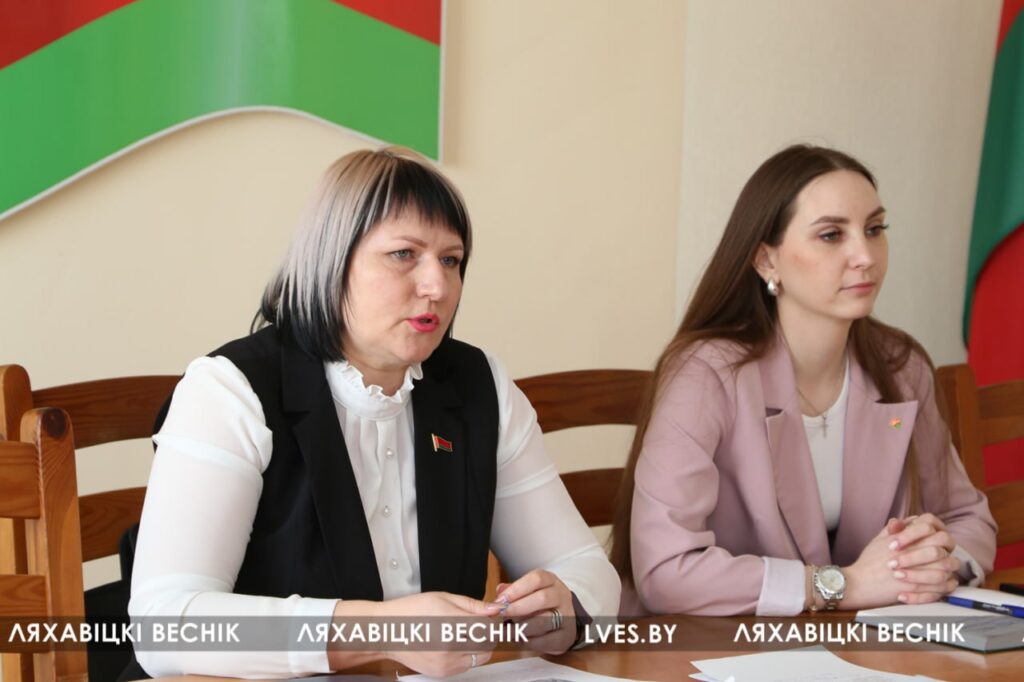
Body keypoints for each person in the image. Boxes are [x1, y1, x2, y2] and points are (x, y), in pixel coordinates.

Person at [128, 146, 620, 677]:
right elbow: (164, 627)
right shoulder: (229, 391)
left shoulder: (481, 385)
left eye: (451, 260)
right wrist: (380, 630)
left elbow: (587, 569)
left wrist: (564, 609)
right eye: (404, 254)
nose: (437, 286)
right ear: (331, 261)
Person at [610, 144, 995, 616]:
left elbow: (967, 518)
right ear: (766, 261)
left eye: (875, 229)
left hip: (861, 644)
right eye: (831, 235)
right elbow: (666, 572)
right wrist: (841, 585)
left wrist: (936, 564)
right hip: (715, 646)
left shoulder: (901, 366)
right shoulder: (706, 374)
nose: (865, 256)